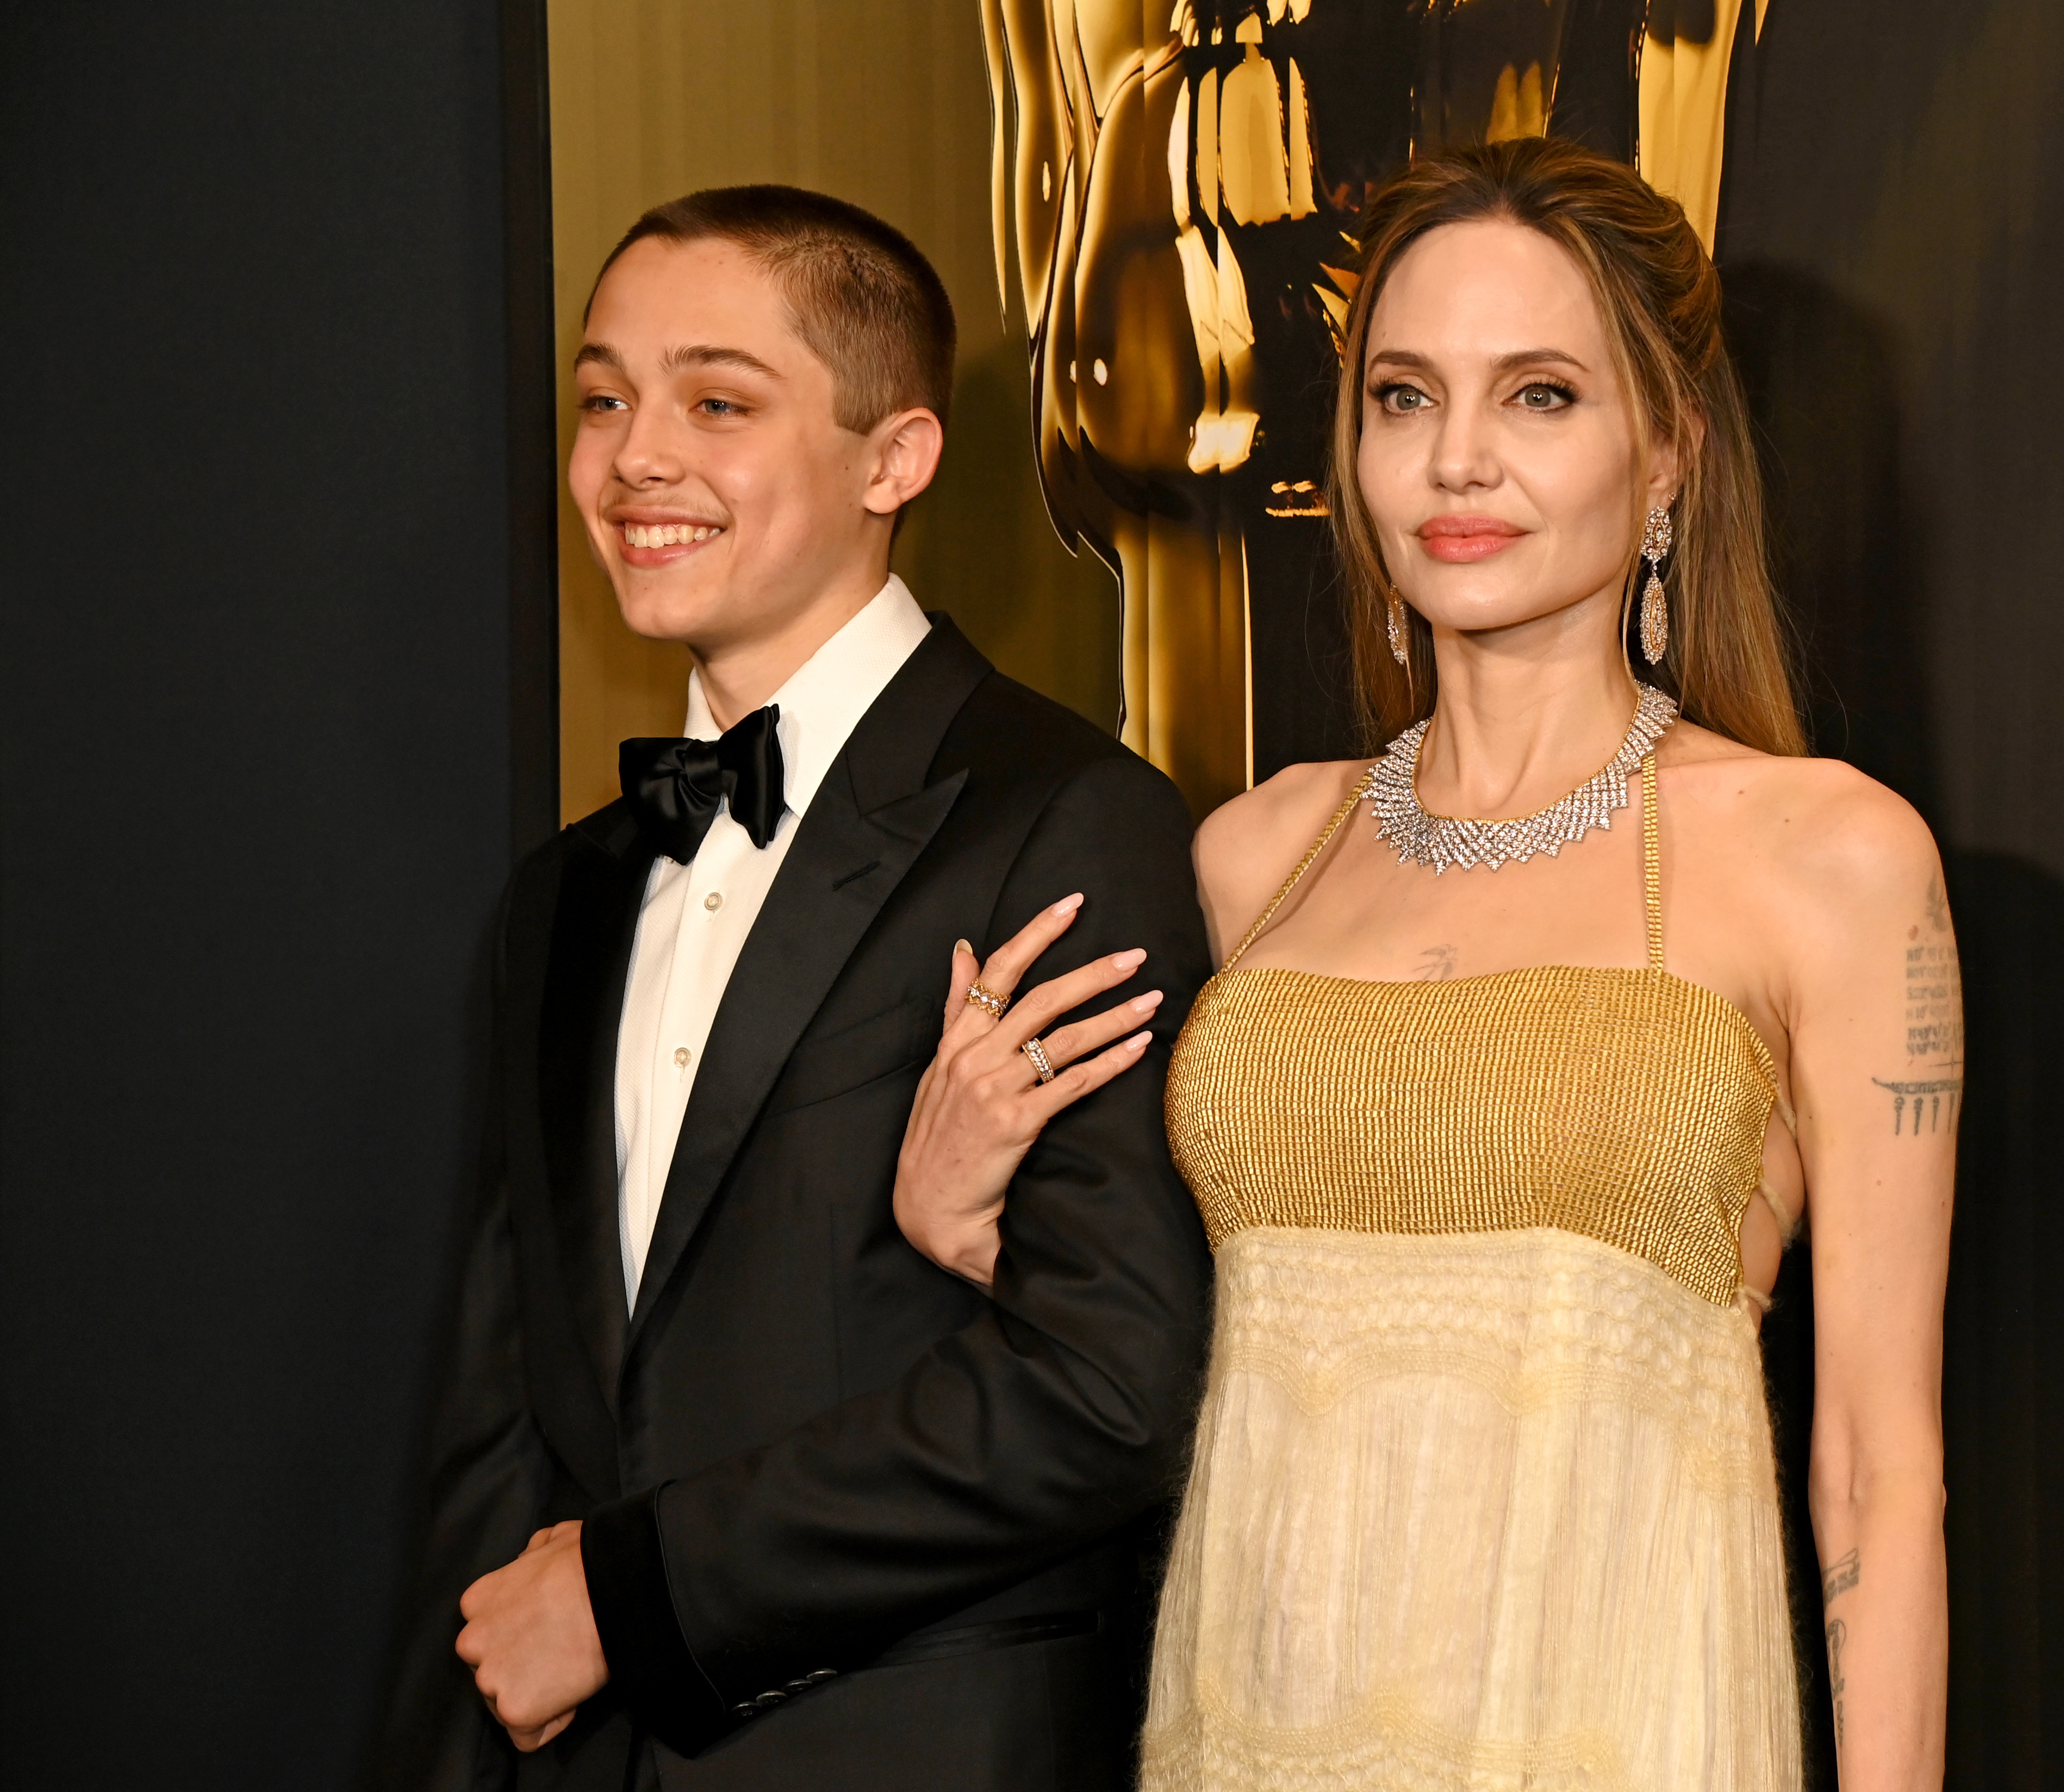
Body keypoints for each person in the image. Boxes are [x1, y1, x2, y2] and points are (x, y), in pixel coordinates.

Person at [903, 137, 1955, 1790]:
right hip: (1249, 1730)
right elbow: (1182, 1354)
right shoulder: (1254, 855)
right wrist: (960, 1217)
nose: (1459, 461)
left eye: (1539, 396)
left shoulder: (1825, 855)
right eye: (1405, 397)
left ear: (1669, 453)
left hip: (1622, 1729)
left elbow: (1879, 1474)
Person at [375, 184, 1215, 1791]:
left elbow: (1110, 1385)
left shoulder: (1067, 816)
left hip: (915, 1747)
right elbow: (500, 1416)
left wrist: (630, 1596)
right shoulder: (557, 897)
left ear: (894, 457)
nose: (634, 457)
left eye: (716, 401)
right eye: (604, 398)